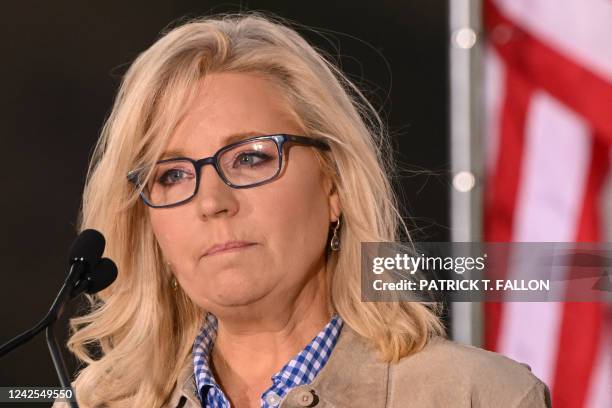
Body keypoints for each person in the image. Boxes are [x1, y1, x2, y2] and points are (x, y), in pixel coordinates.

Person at [53, 12, 551, 408]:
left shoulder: (476, 396)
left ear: (334, 184)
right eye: (172, 174)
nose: (211, 202)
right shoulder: (96, 403)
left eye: (250, 158)